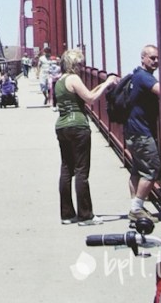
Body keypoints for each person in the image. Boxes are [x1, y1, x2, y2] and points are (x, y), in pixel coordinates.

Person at [54, 48, 118, 226]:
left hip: (62, 126)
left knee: (66, 169)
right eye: (80, 64)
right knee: (82, 171)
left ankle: (67, 214)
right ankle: (85, 215)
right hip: (78, 127)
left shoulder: (59, 81)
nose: (82, 67)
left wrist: (101, 85)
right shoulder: (74, 78)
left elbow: (84, 94)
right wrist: (107, 84)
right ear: (74, 64)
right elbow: (90, 98)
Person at [124, 44, 161, 224]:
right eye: (152, 58)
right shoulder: (144, 77)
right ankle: (137, 209)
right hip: (142, 133)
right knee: (152, 170)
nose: (156, 61)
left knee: (137, 170)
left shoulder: (136, 75)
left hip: (132, 131)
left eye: (157, 58)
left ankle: (136, 208)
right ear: (143, 58)